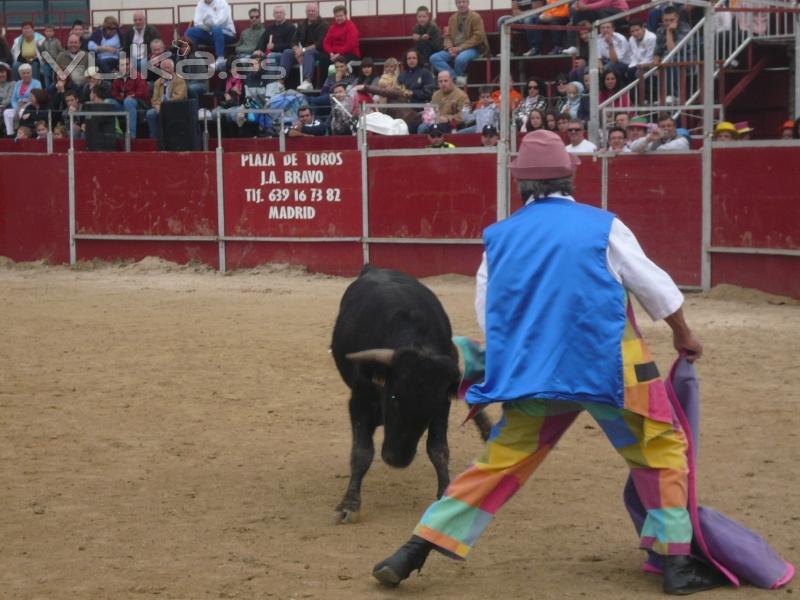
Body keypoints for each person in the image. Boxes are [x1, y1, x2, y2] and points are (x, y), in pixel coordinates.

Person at [372, 129, 728, 597]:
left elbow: (489, 313)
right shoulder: (603, 225)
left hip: (536, 373)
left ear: (520, 184)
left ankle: (414, 549)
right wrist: (684, 333)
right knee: (662, 451)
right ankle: (677, 565)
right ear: (571, 178)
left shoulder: (498, 237)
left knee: (497, 463)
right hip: (612, 370)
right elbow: (653, 286)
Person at [429, 0, 489, 87]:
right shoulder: (452, 18)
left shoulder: (476, 17)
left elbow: (478, 36)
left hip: (473, 48)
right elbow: (448, 36)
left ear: (468, 3)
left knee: (460, 59)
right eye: (458, 2)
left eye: (463, 2)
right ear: (456, 4)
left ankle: (457, 80)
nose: (461, 4)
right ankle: (454, 78)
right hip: (454, 48)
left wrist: (460, 48)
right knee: (434, 58)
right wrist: (450, 48)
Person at [281, 2, 329, 91]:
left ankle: (308, 81)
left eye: (313, 11)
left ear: (317, 12)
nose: (311, 13)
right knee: (287, 52)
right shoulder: (302, 24)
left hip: (319, 52)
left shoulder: (324, 25)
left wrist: (302, 51)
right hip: (303, 52)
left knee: (308, 52)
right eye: (309, 11)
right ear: (306, 12)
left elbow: (319, 44)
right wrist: (297, 51)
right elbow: (293, 41)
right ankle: (280, 82)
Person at [186, 0, 236, 68]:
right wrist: (206, 26)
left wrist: (210, 23)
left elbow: (223, 20)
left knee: (216, 28)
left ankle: (220, 58)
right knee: (190, 32)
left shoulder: (222, 2)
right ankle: (194, 57)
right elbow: (197, 22)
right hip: (209, 32)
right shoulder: (200, 4)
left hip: (226, 33)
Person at [146, 59, 188, 139]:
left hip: (176, 107)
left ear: (173, 69)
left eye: (168, 68)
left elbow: (178, 97)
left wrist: (164, 107)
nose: (166, 70)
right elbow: (154, 99)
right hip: (161, 107)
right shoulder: (158, 82)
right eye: (164, 68)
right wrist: (157, 106)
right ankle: (155, 139)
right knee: (150, 113)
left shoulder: (180, 80)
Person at [112, 57, 151, 138]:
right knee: (108, 102)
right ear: (119, 67)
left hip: (138, 103)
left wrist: (131, 96)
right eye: (122, 65)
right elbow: (114, 94)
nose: (125, 67)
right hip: (122, 102)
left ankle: (131, 136)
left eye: (127, 64)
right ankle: (116, 132)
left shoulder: (138, 76)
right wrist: (122, 98)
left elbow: (143, 93)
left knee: (128, 101)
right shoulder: (117, 78)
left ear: (131, 65)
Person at [3, 63, 42, 136]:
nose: (26, 75)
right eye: (24, 73)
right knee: (7, 112)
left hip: (30, 107)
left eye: (28, 73)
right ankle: (10, 134)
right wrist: (16, 107)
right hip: (18, 107)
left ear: (31, 73)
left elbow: (37, 98)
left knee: (22, 112)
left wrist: (25, 103)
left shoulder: (37, 83)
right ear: (20, 75)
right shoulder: (18, 84)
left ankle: (22, 133)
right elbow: (13, 99)